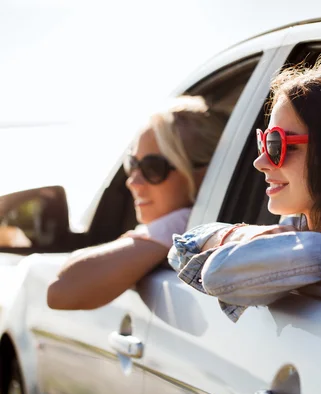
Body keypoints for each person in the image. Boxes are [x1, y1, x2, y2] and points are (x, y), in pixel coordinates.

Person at [168, 58, 321, 322]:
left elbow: (216, 273)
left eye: (277, 144)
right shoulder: (300, 225)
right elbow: (182, 248)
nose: (260, 162)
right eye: (262, 142)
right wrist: (254, 233)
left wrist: (257, 238)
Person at [47, 96, 226, 310]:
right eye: (133, 164)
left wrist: (172, 227)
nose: (133, 181)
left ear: (205, 175)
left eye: (153, 168)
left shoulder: (188, 229)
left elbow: (62, 290)